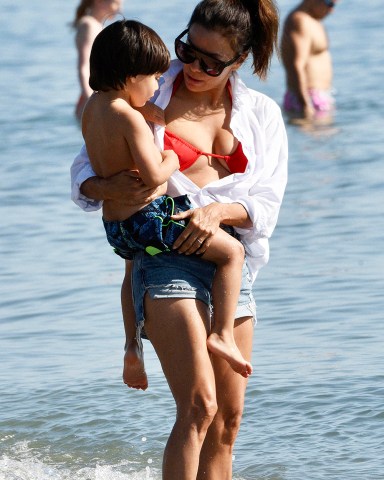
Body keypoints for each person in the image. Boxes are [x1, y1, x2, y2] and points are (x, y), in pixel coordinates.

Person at [71, 0, 288, 478]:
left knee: (227, 424)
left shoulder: (261, 115)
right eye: (188, 50)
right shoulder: (148, 83)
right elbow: (86, 167)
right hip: (165, 257)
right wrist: (106, 187)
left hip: (231, 263)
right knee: (197, 407)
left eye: (211, 63)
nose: (192, 67)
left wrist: (217, 212)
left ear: (239, 61)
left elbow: (266, 205)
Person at [82, 19, 252, 388]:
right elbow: (156, 175)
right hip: (148, 219)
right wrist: (175, 156)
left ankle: (131, 345)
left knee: (132, 274)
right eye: (153, 78)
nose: (158, 85)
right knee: (231, 255)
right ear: (130, 77)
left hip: (117, 227)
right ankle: (222, 333)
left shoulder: (93, 109)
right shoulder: (128, 116)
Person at [280, 0, 337, 122]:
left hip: (317, 97)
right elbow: (297, 65)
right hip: (307, 98)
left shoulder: (313, 20)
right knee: (319, 139)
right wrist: (305, 104)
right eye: (330, 4)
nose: (332, 11)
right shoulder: (299, 21)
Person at [71, 0, 123, 121]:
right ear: (98, 1)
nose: (119, 9)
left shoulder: (96, 25)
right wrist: (90, 99)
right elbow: (83, 67)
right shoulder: (89, 25)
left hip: (95, 97)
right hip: (91, 97)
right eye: (116, 3)